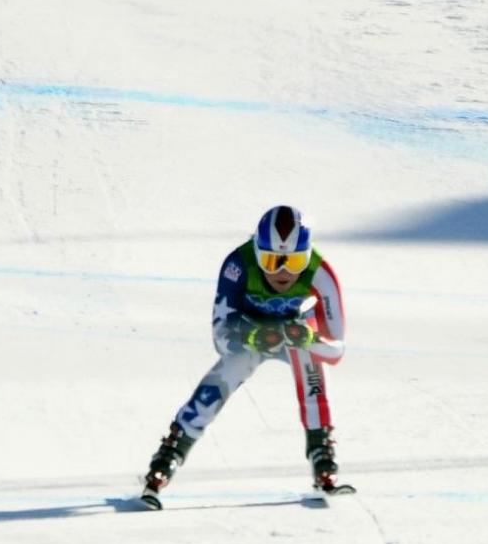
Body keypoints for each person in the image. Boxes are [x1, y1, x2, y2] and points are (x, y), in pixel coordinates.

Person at [140, 205, 347, 507]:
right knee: (226, 373)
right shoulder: (238, 264)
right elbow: (221, 337)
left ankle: (322, 454)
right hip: (250, 334)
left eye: (294, 262)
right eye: (272, 261)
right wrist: (254, 336)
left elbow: (336, 349)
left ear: (307, 256)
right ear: (257, 252)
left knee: (309, 360)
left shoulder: (321, 272)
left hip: (294, 334)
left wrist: (307, 337)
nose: (283, 272)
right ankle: (170, 454)